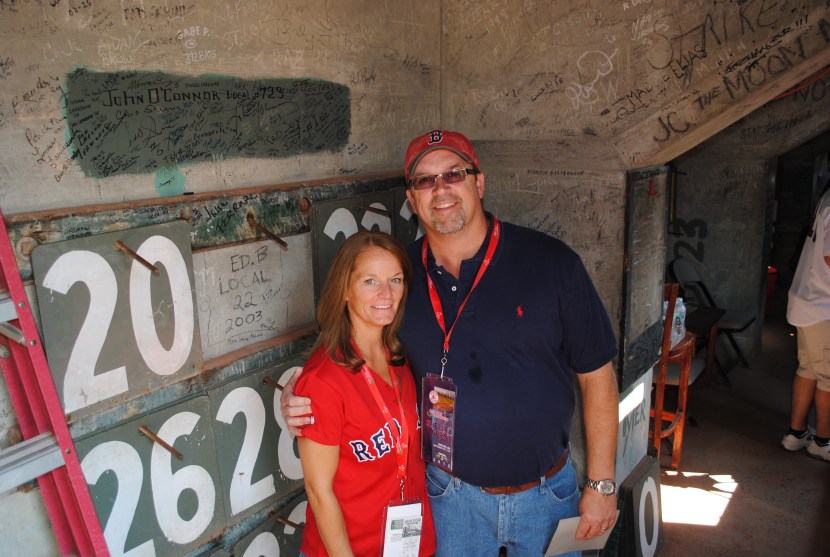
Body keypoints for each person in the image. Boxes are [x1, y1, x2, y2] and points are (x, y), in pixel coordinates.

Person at [285, 130, 620, 555]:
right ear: (412, 197)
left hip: (547, 497)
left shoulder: (552, 263)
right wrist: (299, 391)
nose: (440, 189)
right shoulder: (400, 274)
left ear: (479, 183)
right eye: (425, 180)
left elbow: (597, 375)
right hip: (448, 499)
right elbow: (357, 347)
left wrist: (602, 484)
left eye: (453, 174)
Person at [294, 231, 436, 556]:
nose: (386, 293)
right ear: (344, 289)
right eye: (370, 281)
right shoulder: (324, 380)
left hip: (410, 544)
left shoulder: (401, 357)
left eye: (396, 279)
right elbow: (318, 491)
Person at [782, 180, 830, 462]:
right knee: (827, 376)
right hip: (821, 306)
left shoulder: (826, 197)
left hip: (809, 302)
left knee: (809, 368)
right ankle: (823, 441)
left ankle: (796, 434)